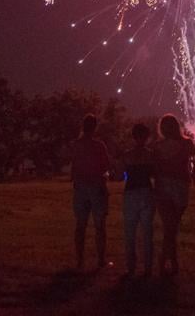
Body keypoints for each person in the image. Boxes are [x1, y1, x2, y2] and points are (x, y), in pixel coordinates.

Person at [70, 113, 111, 272]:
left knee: (80, 225)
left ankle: (80, 260)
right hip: (96, 186)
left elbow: (74, 166)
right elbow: (106, 165)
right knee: (99, 225)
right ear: (95, 127)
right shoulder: (98, 145)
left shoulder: (76, 145)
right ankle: (101, 260)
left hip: (80, 187)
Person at [153, 113, 193, 276]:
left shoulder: (157, 146)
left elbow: (155, 168)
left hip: (163, 186)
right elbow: (191, 157)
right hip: (180, 186)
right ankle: (169, 261)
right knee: (172, 227)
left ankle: (165, 261)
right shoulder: (186, 144)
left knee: (169, 227)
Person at [122, 123, 157, 277]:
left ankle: (131, 267)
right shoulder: (150, 155)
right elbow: (155, 174)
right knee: (147, 232)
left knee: (130, 232)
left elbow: (119, 174)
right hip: (146, 192)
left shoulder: (127, 155)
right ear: (146, 137)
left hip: (130, 193)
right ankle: (148, 267)